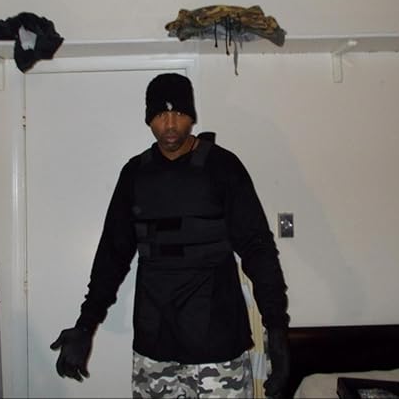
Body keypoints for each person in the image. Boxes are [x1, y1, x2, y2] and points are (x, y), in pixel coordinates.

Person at [51, 73, 290, 398]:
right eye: (161, 115)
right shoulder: (135, 174)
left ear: (192, 116)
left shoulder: (223, 167)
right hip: (155, 348)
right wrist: (85, 324)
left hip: (218, 347)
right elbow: (112, 255)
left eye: (178, 113)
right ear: (148, 119)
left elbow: (257, 248)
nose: (170, 124)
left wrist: (276, 330)